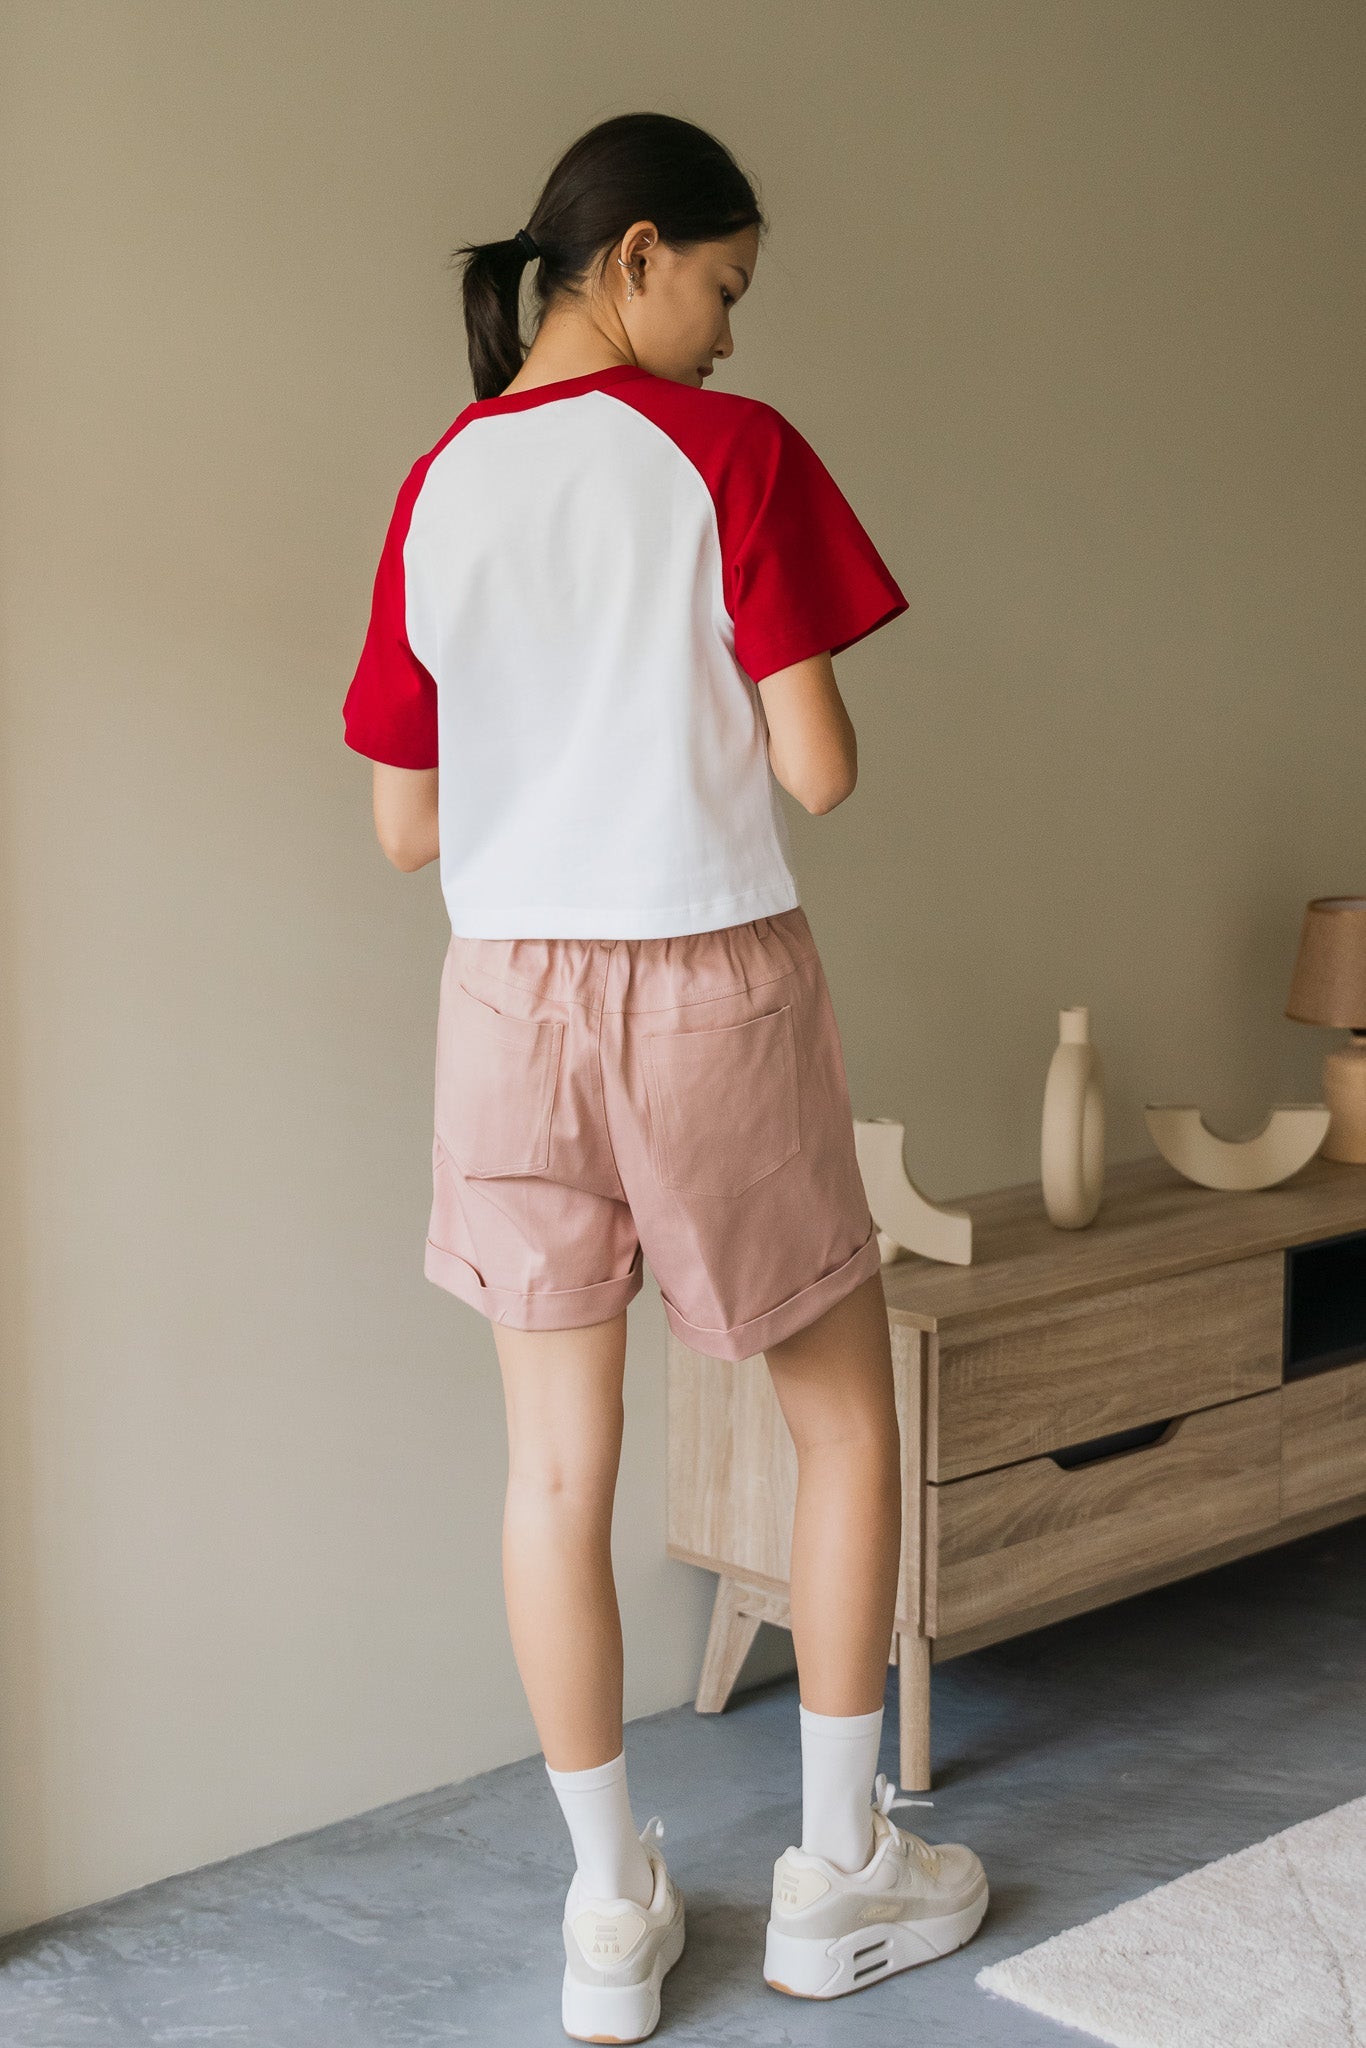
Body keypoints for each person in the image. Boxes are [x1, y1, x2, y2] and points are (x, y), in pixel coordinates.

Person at [342, 108, 987, 2042]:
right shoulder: (732, 455)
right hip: (704, 978)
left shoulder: (438, 481)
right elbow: (819, 771)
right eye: (719, 288)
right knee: (842, 1423)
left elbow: (400, 830)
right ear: (631, 258)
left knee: (553, 1469)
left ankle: (611, 1918)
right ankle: (840, 1881)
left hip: (505, 1001)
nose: (726, 331)